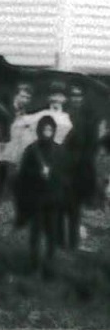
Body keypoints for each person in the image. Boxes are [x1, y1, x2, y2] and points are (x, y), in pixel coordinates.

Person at [15, 115, 67, 278]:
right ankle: (33, 266)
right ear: (39, 130)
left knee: (52, 234)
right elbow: (23, 175)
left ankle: (49, 267)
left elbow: (65, 175)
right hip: (36, 199)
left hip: (53, 199)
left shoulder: (59, 150)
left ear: (54, 131)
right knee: (35, 233)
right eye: (45, 129)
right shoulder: (31, 150)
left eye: (50, 129)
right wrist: (38, 174)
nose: (47, 132)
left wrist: (52, 174)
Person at [62, 82, 102, 250]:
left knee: (75, 207)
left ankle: (73, 242)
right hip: (62, 167)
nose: (75, 99)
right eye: (72, 95)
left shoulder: (89, 120)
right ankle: (61, 240)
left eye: (78, 95)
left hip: (79, 170)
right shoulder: (64, 116)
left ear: (83, 98)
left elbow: (92, 147)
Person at [1, 83, 39, 224]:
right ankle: (3, 215)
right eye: (22, 96)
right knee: (6, 184)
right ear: (16, 95)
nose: (25, 100)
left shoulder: (27, 114)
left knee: (17, 184)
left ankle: (17, 216)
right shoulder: (6, 110)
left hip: (19, 154)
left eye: (28, 97)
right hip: (4, 153)